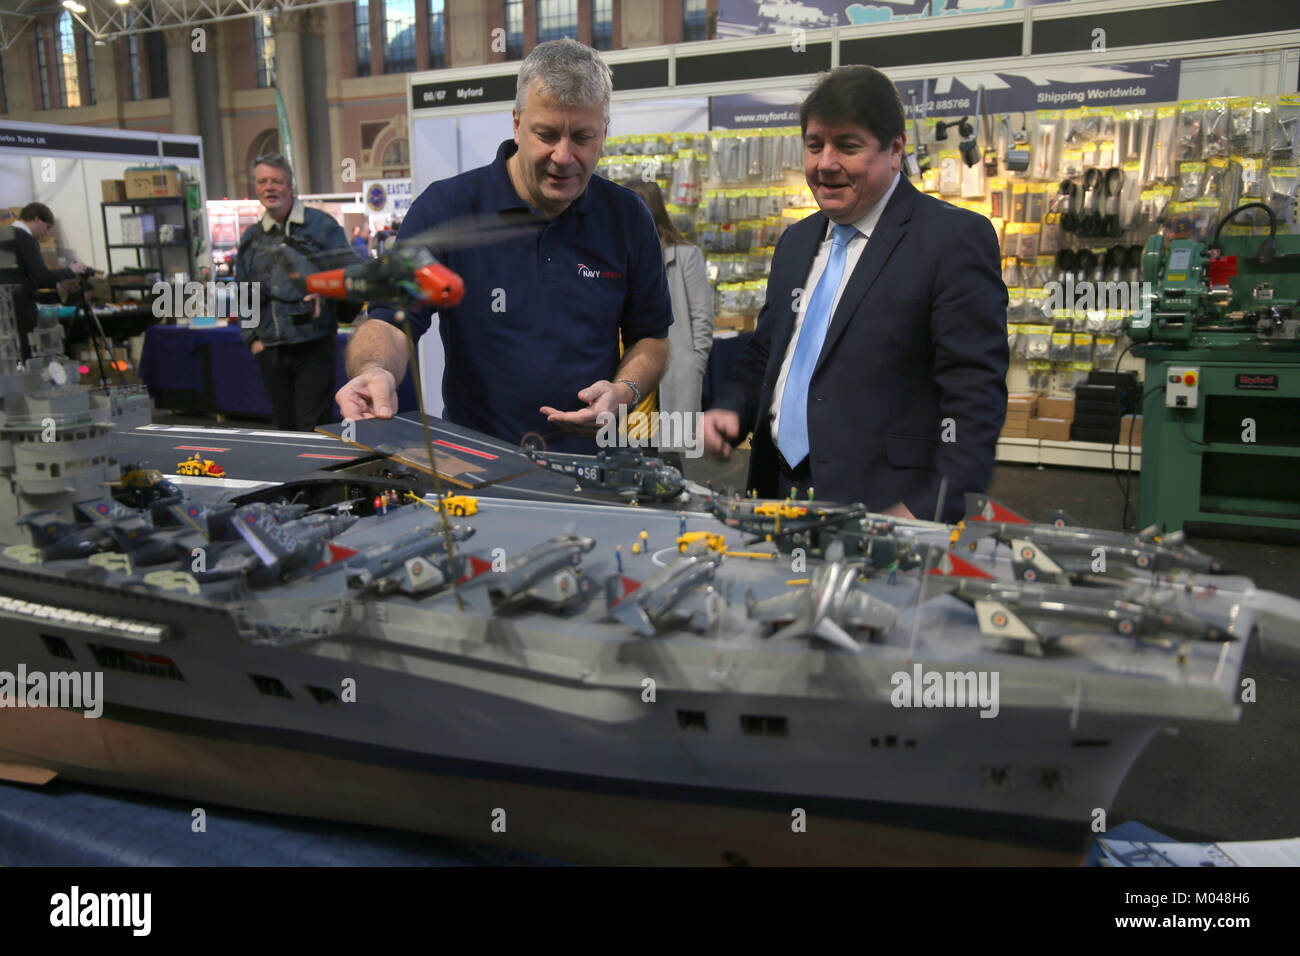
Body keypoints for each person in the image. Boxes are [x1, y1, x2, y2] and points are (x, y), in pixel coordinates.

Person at [700, 66, 1008, 523]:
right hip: (776, 494)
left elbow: (975, 401)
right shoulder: (796, 243)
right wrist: (732, 408)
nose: (825, 163)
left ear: (895, 150)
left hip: (887, 507)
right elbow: (767, 351)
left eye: (848, 146)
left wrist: (926, 510)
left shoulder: (952, 240)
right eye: (814, 145)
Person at [335, 38, 671, 454]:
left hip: (593, 468)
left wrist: (625, 390)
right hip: (478, 468)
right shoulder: (447, 209)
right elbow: (389, 319)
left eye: (582, 137)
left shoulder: (628, 216)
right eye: (546, 134)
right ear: (516, 123)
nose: (564, 156)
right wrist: (375, 369)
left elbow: (651, 337)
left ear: (604, 132)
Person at [236, 153, 356, 432]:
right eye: (262, 181)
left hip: (313, 345)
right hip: (270, 349)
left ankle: (319, 476)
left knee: (312, 428)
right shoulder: (252, 237)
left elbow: (352, 270)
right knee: (286, 428)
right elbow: (243, 290)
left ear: (290, 186)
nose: (269, 187)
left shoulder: (322, 226)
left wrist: (325, 290)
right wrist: (252, 339)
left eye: (276, 181)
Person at [625, 181, 714, 435]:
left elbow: (702, 318)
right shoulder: (623, 256)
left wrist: (695, 365)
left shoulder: (686, 255)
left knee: (678, 459)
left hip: (676, 376)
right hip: (632, 378)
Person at [0, 203, 91, 361]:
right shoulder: (24, 237)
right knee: (25, 353)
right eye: (47, 227)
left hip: (6, 307)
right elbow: (42, 275)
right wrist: (71, 270)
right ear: (36, 219)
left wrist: (59, 281)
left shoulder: (6, 234)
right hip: (20, 305)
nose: (46, 233)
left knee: (9, 355)